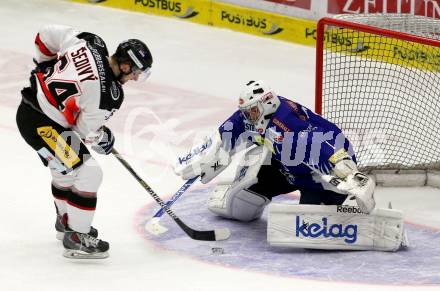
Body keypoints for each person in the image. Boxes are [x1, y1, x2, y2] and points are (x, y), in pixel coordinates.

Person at [16, 25, 153, 259]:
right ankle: (77, 237)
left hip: (30, 114)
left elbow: (45, 36)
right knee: (89, 172)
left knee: (64, 171)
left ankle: (66, 222)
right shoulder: (109, 94)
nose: (135, 77)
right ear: (125, 65)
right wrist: (104, 138)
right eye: (135, 72)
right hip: (44, 127)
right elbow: (85, 130)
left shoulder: (92, 42)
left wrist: (45, 65)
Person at [174, 80, 375, 223]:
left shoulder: (288, 122)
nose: (248, 116)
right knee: (241, 207)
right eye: (246, 111)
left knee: (309, 225)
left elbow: (323, 142)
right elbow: (223, 140)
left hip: (316, 179)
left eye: (252, 111)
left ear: (267, 103)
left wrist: (349, 173)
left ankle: (339, 202)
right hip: (284, 169)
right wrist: (203, 162)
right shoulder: (251, 116)